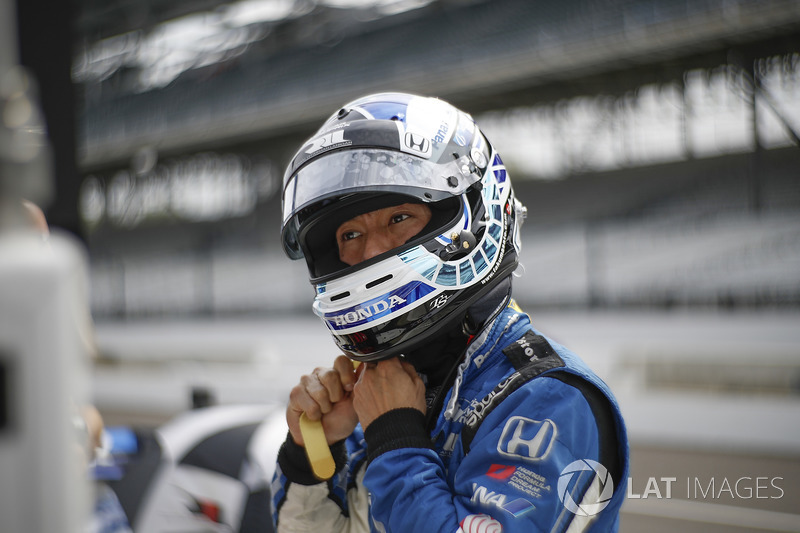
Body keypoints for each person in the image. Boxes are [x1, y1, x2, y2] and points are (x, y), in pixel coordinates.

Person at [272, 93, 629, 532]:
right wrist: (313, 452)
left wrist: (397, 439)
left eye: (399, 217)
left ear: (475, 215)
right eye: (350, 234)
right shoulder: (379, 392)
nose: (371, 251)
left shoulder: (547, 399)